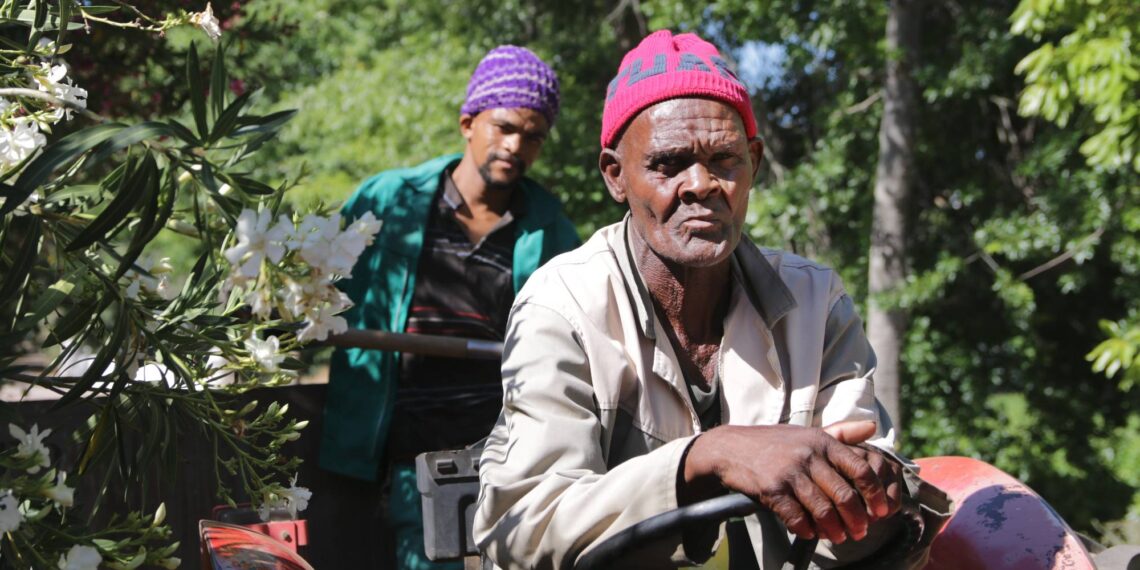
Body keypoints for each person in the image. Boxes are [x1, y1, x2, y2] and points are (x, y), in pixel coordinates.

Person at [473, 31, 946, 569]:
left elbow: (865, 510)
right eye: (668, 164)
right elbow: (525, 529)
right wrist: (709, 457)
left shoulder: (816, 301)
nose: (701, 185)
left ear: (755, 164)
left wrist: (868, 489)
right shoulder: (563, 306)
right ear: (615, 176)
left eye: (725, 160)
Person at [319, 45, 580, 569]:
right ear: (468, 122)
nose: (516, 146)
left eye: (533, 136)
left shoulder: (551, 229)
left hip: (510, 465)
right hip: (411, 465)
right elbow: (314, 291)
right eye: (504, 127)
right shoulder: (387, 201)